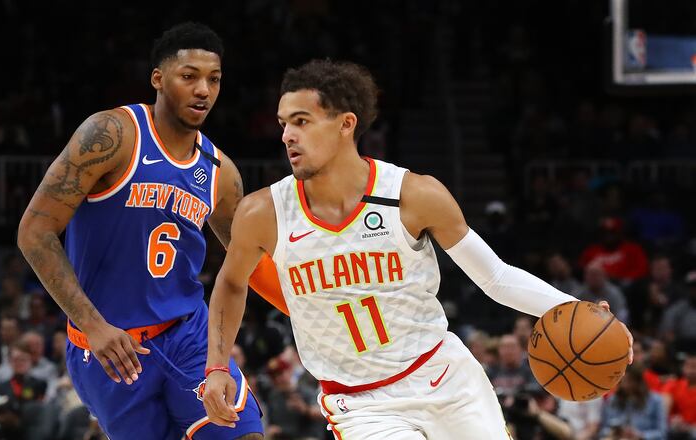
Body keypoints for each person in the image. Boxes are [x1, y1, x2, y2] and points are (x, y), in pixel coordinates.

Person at [202, 59, 633, 439]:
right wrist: (217, 366)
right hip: (360, 403)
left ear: (346, 124)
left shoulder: (412, 195)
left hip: (443, 376)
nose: (287, 136)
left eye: (301, 121)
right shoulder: (264, 212)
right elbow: (232, 283)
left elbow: (495, 276)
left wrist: (578, 309)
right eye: (283, 123)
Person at [17, 22, 265, 439]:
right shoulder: (111, 135)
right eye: (189, 76)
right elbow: (34, 232)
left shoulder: (220, 173)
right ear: (158, 79)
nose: (203, 90)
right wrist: (93, 326)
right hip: (111, 348)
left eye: (214, 79)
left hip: (187, 334)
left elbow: (252, 261)